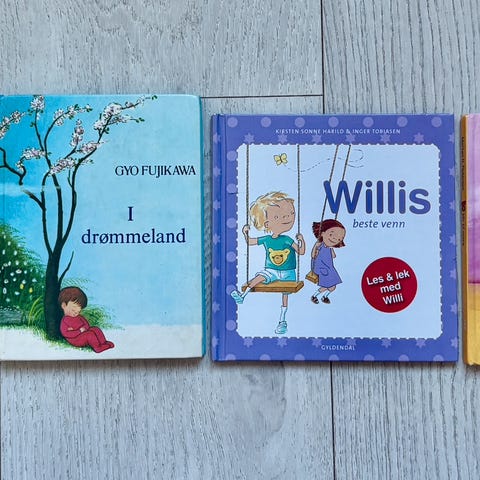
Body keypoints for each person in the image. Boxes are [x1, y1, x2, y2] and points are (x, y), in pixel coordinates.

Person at [230, 191, 305, 335]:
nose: (287, 218)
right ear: (267, 224)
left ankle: (282, 321)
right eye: (278, 216)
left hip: (288, 272)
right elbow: (250, 242)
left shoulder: (288, 240)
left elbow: (301, 251)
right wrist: (245, 233)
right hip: (271, 270)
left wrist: (302, 241)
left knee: (285, 297)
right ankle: (242, 295)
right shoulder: (266, 239)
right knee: (260, 277)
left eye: (291, 213)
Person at [58, 286, 114, 353]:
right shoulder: (64, 321)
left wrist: (83, 329)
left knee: (95, 329)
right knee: (89, 334)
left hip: (83, 333)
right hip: (75, 339)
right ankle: (97, 347)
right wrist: (79, 331)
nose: (76, 313)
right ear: (64, 306)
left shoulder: (79, 317)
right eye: (73, 310)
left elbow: (87, 325)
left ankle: (103, 342)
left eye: (78, 311)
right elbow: (66, 333)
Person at [310, 219, 346, 304]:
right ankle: (315, 296)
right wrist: (315, 247)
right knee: (328, 286)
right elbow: (313, 255)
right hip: (321, 268)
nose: (335, 239)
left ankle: (323, 296)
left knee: (332, 287)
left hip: (329, 268)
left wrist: (331, 249)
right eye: (331, 235)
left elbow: (334, 256)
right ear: (322, 233)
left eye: (339, 239)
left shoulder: (329, 248)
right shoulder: (319, 245)